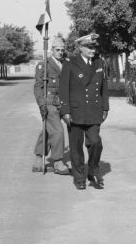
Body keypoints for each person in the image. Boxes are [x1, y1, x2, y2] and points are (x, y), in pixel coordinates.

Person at [60, 33, 109, 190]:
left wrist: (105, 107)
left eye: (94, 47)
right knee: (76, 147)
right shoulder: (70, 64)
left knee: (96, 142)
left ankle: (93, 171)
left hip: (94, 110)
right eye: (89, 47)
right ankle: (79, 177)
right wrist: (65, 111)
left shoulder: (99, 63)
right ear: (80, 48)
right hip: (75, 111)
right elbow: (63, 90)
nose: (93, 50)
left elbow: (104, 88)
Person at [32, 36, 71, 175]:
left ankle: (38, 158)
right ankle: (58, 161)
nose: (60, 52)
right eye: (58, 50)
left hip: (63, 102)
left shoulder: (66, 64)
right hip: (49, 102)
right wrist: (41, 104)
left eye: (62, 50)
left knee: (48, 130)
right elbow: (37, 87)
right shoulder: (44, 65)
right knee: (58, 131)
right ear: (52, 50)